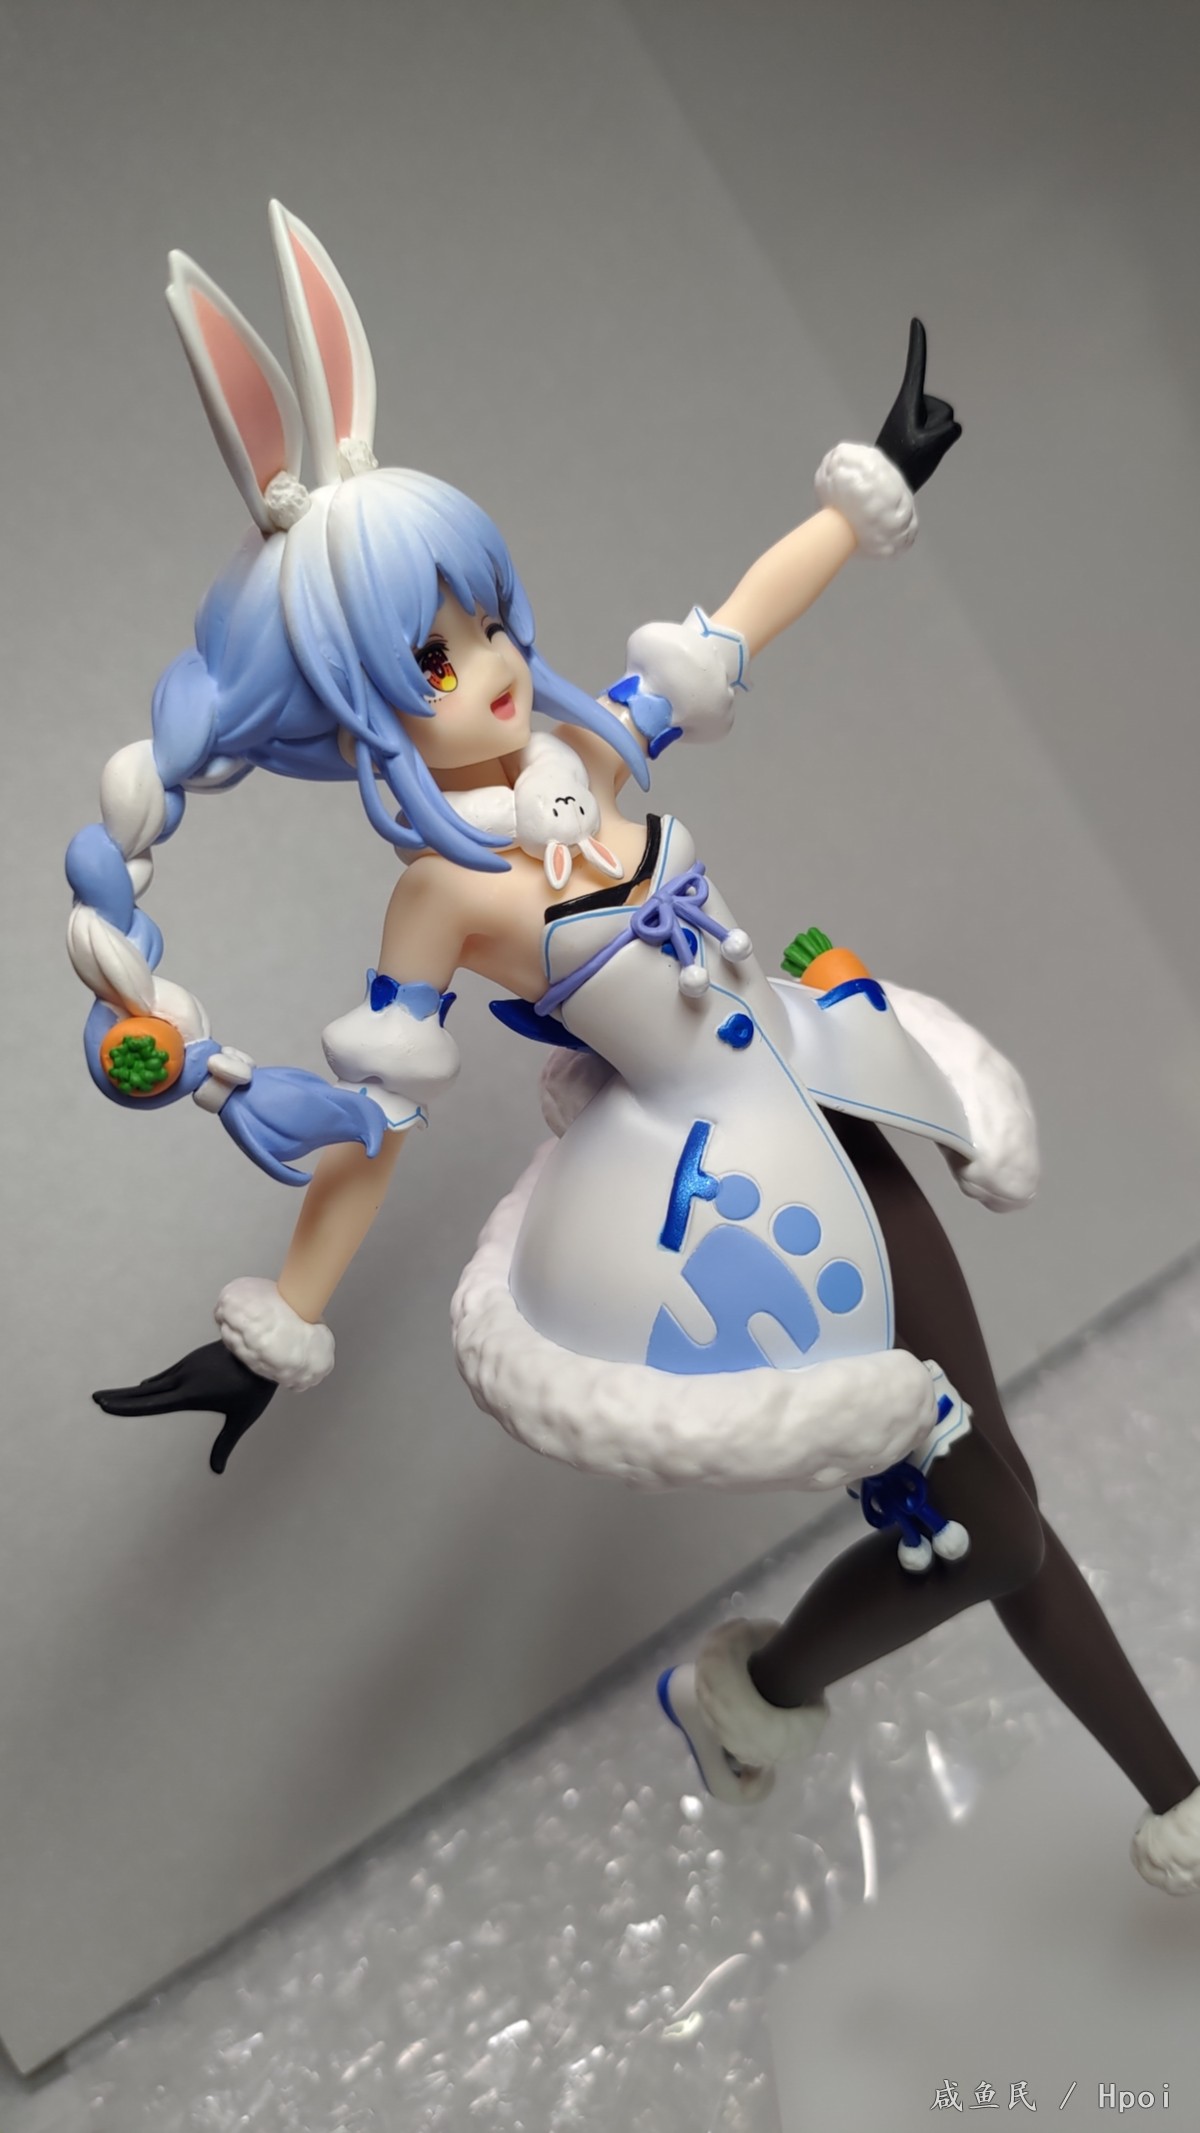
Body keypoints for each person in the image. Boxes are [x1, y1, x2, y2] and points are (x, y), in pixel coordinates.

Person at [69, 204, 1200, 1894]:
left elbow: (742, 617)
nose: (487, 667)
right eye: (432, 656)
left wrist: (872, 485)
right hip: (740, 1211)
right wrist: (282, 1321)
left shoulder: (589, 752)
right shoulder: (443, 897)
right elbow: (376, 1121)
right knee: (991, 1516)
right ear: (363, 703)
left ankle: (794, 1703)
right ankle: (889, 1719)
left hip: (839, 1106)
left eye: (487, 619)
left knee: (992, 1504)